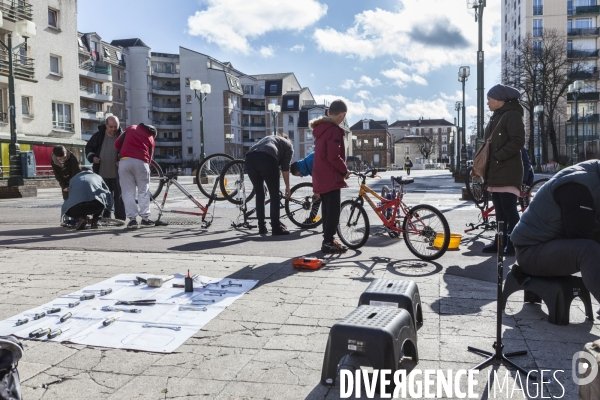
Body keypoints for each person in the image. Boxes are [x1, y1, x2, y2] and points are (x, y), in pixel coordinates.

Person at [511, 160, 600, 305]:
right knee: (589, 251)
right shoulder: (579, 186)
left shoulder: (592, 174)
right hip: (530, 251)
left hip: (547, 244)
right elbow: (580, 235)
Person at [479, 84, 525, 256]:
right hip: (495, 172)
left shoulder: (512, 115)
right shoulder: (495, 117)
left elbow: (518, 140)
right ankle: (500, 241)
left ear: (500, 100)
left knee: (509, 210)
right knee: (499, 210)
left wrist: (498, 155)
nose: (488, 103)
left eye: (489, 99)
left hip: (507, 171)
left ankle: (515, 243)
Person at [311, 99, 351, 253]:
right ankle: (328, 242)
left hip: (320, 176)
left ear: (328, 113)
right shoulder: (334, 130)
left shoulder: (321, 130)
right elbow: (333, 156)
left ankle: (327, 239)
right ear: (342, 115)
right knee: (333, 211)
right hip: (331, 176)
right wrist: (344, 170)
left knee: (327, 210)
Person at [245, 133, 294, 235]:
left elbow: (259, 156)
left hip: (250, 158)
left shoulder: (270, 138)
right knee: (274, 196)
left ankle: (262, 227)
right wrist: (288, 187)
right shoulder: (288, 146)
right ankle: (276, 228)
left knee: (260, 194)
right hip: (267, 158)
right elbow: (285, 168)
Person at [115, 123, 157, 229]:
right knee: (143, 190)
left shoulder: (131, 128)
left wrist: (122, 155)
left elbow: (117, 143)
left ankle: (132, 220)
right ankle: (145, 219)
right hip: (141, 162)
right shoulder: (150, 137)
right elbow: (150, 157)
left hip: (124, 162)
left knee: (127, 191)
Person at [85, 115, 125, 221]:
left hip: (118, 174)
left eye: (115, 127)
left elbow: (127, 151)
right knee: (104, 196)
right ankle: (105, 218)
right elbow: (89, 148)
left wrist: (122, 160)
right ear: (106, 125)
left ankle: (120, 218)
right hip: (102, 173)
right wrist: (93, 157)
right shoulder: (98, 135)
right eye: (111, 127)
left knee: (119, 197)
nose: (113, 129)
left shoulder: (122, 136)